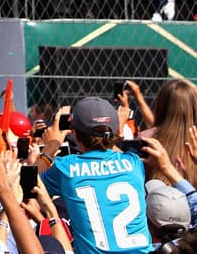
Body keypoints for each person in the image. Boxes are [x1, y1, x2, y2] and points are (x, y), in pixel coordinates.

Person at [40, 96, 151, 254]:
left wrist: (50, 147)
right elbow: (110, 153)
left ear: (75, 134)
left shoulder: (66, 167)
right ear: (114, 131)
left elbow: (29, 183)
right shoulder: (134, 163)